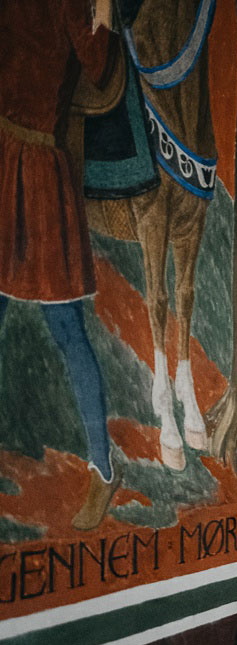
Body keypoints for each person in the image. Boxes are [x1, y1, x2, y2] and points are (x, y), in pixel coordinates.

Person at [1, 0, 121, 530]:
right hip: (1, 161)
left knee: (67, 328)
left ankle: (103, 466)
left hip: (38, 167)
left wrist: (104, 8)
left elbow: (101, 66)